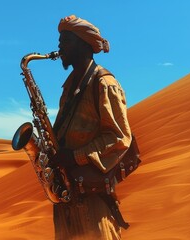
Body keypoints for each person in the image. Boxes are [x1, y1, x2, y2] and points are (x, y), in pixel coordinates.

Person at [50, 15, 132, 239]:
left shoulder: (104, 83)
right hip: (67, 197)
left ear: (84, 44)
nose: (59, 46)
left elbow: (120, 138)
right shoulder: (68, 87)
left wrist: (76, 157)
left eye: (65, 40)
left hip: (92, 201)